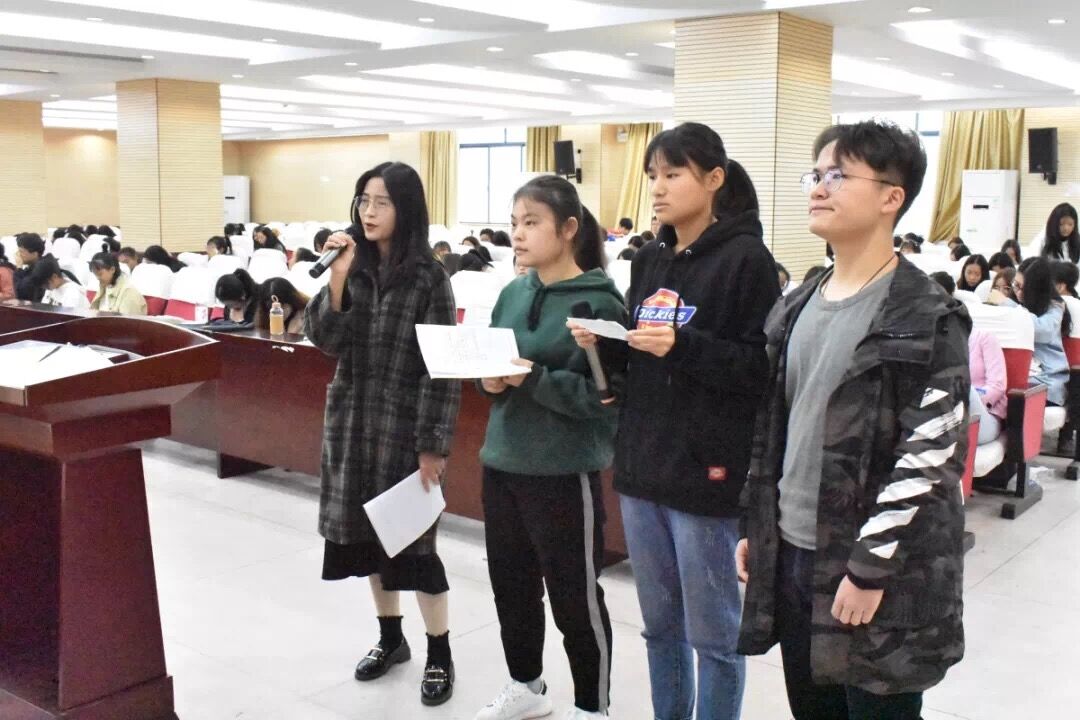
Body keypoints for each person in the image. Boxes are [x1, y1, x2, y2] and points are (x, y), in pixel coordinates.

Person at [738, 119, 968, 720]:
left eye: (838, 175)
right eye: (815, 175)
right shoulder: (797, 304)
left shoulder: (928, 315)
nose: (818, 188)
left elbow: (930, 457)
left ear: (892, 197)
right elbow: (774, 432)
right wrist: (756, 525)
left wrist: (869, 569)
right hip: (794, 552)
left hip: (878, 567)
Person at [571, 122, 779, 720]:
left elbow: (759, 369)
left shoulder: (747, 261)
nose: (658, 188)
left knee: (714, 636)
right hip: (642, 467)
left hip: (705, 474)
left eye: (673, 174)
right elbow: (644, 360)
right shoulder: (650, 258)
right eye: (652, 176)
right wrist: (606, 347)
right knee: (659, 627)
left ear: (713, 179)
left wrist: (682, 346)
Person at [303, 161, 461, 708]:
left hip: (403, 431)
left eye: (382, 202)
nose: (369, 212)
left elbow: (443, 369)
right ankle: (391, 639)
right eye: (363, 201)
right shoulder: (353, 265)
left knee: (416, 551)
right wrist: (338, 278)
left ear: (406, 209)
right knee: (370, 542)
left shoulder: (429, 278)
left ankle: (439, 651)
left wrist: (433, 446)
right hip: (352, 425)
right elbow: (325, 339)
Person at [474, 175, 625, 720]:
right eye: (514, 222)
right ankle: (527, 686)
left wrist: (533, 378)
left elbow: (607, 401)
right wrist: (490, 381)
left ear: (568, 229)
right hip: (503, 462)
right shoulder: (513, 292)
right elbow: (490, 368)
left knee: (575, 597)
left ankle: (592, 706)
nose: (518, 233)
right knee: (511, 587)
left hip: (562, 471)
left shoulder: (599, 303)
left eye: (532, 222)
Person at [989, 257, 1070, 407]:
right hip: (1019, 376)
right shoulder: (1016, 304)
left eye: (1023, 288)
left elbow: (1041, 331)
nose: (1018, 292)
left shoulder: (1055, 307)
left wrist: (1007, 305)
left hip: (1047, 382)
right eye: (1016, 285)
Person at [14, 233, 46, 302]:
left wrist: (19, 268)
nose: (18, 255)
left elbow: (20, 293)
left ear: (35, 254)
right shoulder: (32, 267)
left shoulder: (41, 270)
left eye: (21, 251)